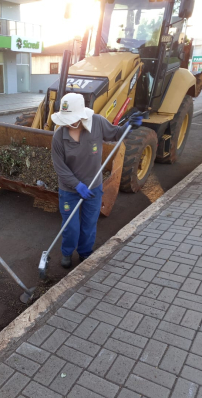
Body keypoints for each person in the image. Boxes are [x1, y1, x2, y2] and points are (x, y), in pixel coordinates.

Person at [51, 93, 142, 268]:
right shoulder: (58, 136)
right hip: (69, 191)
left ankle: (85, 252)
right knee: (71, 227)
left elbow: (116, 134)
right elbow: (60, 168)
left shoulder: (97, 123)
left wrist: (130, 127)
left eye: (72, 118)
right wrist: (76, 185)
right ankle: (67, 252)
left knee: (89, 223)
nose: (69, 123)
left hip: (93, 187)